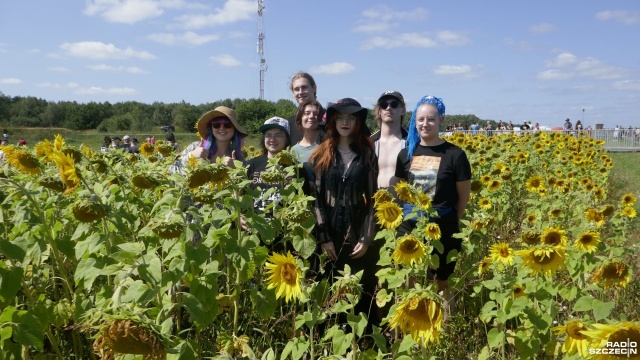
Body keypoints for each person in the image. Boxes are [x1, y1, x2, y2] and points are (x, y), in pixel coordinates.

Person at [395, 95, 471, 317]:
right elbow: (401, 190)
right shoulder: (406, 154)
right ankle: (414, 324)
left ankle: (444, 329)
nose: (425, 124)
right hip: (409, 226)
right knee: (408, 278)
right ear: (414, 122)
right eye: (420, 120)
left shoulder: (455, 155)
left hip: (442, 226)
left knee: (441, 282)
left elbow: (463, 196)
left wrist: (450, 222)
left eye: (430, 119)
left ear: (441, 121)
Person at [309, 98, 378, 329]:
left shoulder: (367, 153)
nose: (345, 122)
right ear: (333, 121)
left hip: (357, 229)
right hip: (330, 229)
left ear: (357, 122)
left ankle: (358, 339)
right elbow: (316, 198)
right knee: (329, 284)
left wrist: (367, 238)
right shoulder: (323, 153)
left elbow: (372, 199)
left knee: (358, 285)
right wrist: (323, 236)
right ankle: (327, 341)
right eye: (341, 118)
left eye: (351, 118)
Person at [244, 117, 293, 252]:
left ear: (287, 139)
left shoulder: (294, 168)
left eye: (278, 135)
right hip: (254, 229)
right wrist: (239, 216)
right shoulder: (251, 165)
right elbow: (239, 196)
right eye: (268, 135)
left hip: (284, 233)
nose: (272, 139)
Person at [171, 106, 247, 174]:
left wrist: (236, 170)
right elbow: (172, 170)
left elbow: (246, 184)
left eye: (228, 125)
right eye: (216, 124)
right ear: (211, 128)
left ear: (235, 129)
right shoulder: (196, 147)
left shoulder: (238, 157)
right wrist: (191, 156)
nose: (222, 128)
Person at [370, 90, 407, 189]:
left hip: (403, 204)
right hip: (375, 203)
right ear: (379, 111)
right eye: (383, 105)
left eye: (394, 104)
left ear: (403, 110)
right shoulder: (369, 143)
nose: (388, 108)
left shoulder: (411, 143)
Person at [288, 72, 319, 144]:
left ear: (314, 88)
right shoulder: (289, 124)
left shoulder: (329, 119)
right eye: (296, 89)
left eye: (304, 87)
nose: (300, 92)